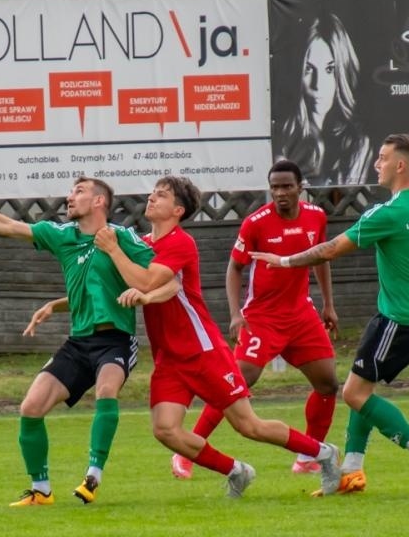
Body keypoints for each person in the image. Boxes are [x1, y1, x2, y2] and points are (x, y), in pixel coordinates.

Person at [253, 134, 409, 496]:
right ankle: (352, 473)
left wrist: (282, 260)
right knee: (360, 385)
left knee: (355, 394)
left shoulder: (388, 214)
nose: (377, 163)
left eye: (382, 157)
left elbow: (329, 250)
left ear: (400, 166)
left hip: (400, 319)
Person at [88, 175, 339, 497]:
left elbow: (151, 282)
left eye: (161, 195)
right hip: (169, 356)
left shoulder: (181, 242)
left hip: (203, 351)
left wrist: (113, 251)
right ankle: (236, 470)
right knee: (165, 429)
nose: (151, 198)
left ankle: (323, 453)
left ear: (178, 210)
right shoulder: (142, 245)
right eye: (152, 193)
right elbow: (125, 284)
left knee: (249, 426)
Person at [0, 179, 156, 507]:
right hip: (79, 342)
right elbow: (7, 224)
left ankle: (93, 476)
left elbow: (157, 276)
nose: (70, 197)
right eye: (72, 191)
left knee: (106, 390)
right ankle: (41, 490)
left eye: (79, 191)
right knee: (30, 408)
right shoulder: (63, 236)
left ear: (100, 200)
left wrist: (137, 281)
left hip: (115, 340)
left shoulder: (123, 238)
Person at [170, 158, 340, 480]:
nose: (280, 193)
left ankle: (309, 454)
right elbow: (234, 268)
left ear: (300, 187)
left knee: (328, 383)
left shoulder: (316, 217)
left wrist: (328, 304)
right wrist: (236, 315)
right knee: (236, 384)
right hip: (262, 318)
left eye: (287, 186)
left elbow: (321, 258)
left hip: (302, 314)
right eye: (274, 187)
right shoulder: (256, 222)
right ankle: (188, 452)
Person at [274, 13, 376, 186]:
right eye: (308, 70)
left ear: (341, 73)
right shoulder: (281, 139)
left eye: (329, 70)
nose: (317, 85)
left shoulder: (357, 144)